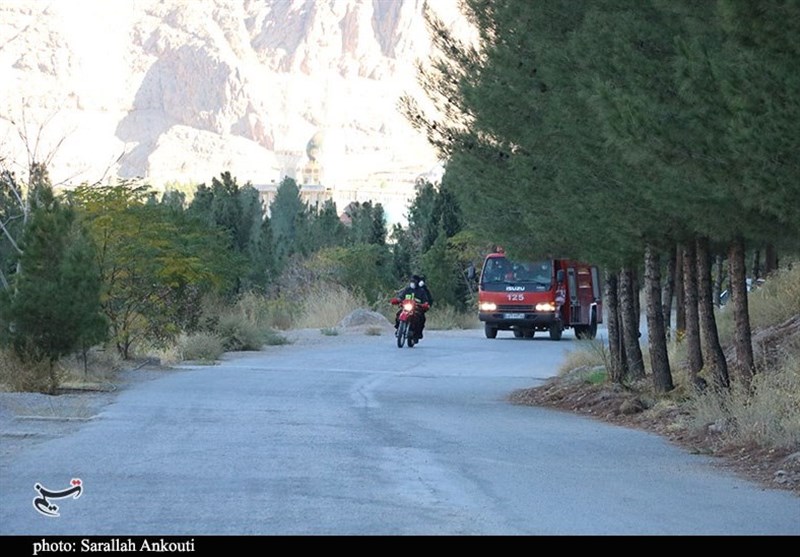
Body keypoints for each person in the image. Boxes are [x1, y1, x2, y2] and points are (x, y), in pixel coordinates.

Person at [393, 274, 430, 339]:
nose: (412, 283)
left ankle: (417, 334)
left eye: (414, 282)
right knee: (398, 314)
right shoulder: (407, 290)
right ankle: (399, 328)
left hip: (417, 309)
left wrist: (425, 304)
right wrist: (397, 300)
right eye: (411, 281)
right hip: (406, 308)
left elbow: (425, 300)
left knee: (420, 318)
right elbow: (401, 297)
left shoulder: (421, 291)